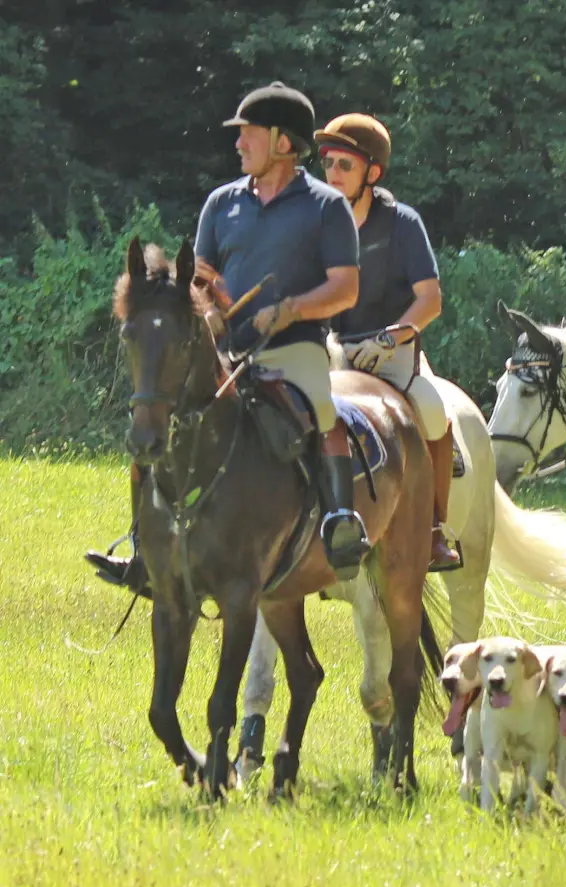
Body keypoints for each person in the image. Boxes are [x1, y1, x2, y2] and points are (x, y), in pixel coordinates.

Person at [85, 81, 368, 591]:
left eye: (249, 134)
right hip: (226, 346)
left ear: (284, 141)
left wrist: (289, 309)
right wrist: (211, 308)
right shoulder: (222, 202)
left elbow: (345, 288)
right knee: (159, 417)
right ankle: (142, 547)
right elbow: (203, 274)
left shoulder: (327, 206)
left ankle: (339, 523)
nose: (238, 144)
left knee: (323, 411)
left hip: (296, 346)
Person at [314, 112, 461, 571]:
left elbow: (430, 300)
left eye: (344, 166)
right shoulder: (315, 222)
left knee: (434, 413)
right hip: (330, 351)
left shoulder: (402, 224)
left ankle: (435, 532)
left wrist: (388, 338)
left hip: (391, 351)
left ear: (372, 174)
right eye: (328, 163)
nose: (332, 175)